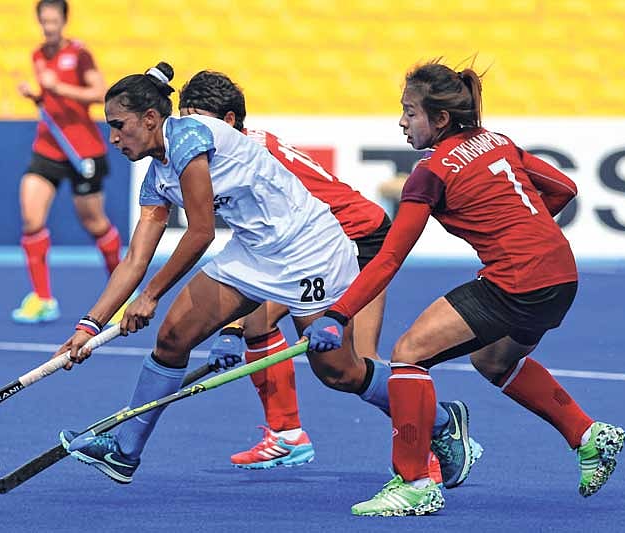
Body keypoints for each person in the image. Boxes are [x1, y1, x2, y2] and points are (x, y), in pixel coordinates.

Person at [51, 62, 474, 493]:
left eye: (118, 126)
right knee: (173, 338)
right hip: (255, 252)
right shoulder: (157, 177)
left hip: (310, 250)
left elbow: (200, 233)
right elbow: (134, 261)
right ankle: (126, 450)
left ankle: (441, 420)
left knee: (339, 372)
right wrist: (89, 326)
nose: (113, 138)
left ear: (149, 118)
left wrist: (151, 296)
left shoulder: (189, 138)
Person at [304, 60, 625, 517]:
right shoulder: (497, 141)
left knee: (409, 354)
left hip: (517, 280)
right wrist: (518, 235)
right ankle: (586, 434)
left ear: (439, 119)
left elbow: (389, 258)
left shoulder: (430, 174)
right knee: (494, 360)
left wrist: (337, 315)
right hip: (560, 276)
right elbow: (564, 188)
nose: (401, 123)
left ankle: (414, 483)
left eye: (410, 112)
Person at [179, 70, 481, 480]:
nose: (187, 134)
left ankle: (437, 436)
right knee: (258, 323)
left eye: (196, 122)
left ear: (228, 121)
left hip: (358, 242)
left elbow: (263, 254)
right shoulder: (232, 151)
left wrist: (227, 326)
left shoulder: (247, 160)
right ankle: (287, 435)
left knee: (356, 365)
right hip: (313, 248)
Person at [12, 0, 121, 323]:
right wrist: (37, 96)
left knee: (95, 224)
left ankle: (122, 292)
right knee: (31, 219)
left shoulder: (80, 54)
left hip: (82, 149)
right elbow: (50, 99)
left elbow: (100, 93)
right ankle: (43, 299)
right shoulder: (37, 55)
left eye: (54, 21)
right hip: (47, 147)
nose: (49, 27)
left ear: (63, 21)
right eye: (44, 21)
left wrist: (57, 87)